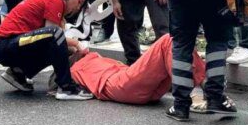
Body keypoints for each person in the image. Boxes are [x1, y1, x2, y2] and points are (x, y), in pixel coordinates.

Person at [0, 0, 94, 100]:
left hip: (9, 44)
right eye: (79, 2)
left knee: (63, 47)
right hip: (4, 44)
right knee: (56, 35)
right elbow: (54, 36)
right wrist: (76, 43)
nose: (78, 8)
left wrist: (73, 50)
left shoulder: (53, 0)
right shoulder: (56, 1)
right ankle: (66, 87)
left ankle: (18, 72)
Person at [71, 34, 205, 104]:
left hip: (133, 85)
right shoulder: (75, 69)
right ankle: (206, 87)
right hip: (120, 84)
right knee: (168, 40)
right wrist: (75, 45)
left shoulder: (90, 58)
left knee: (177, 41)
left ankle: (199, 89)